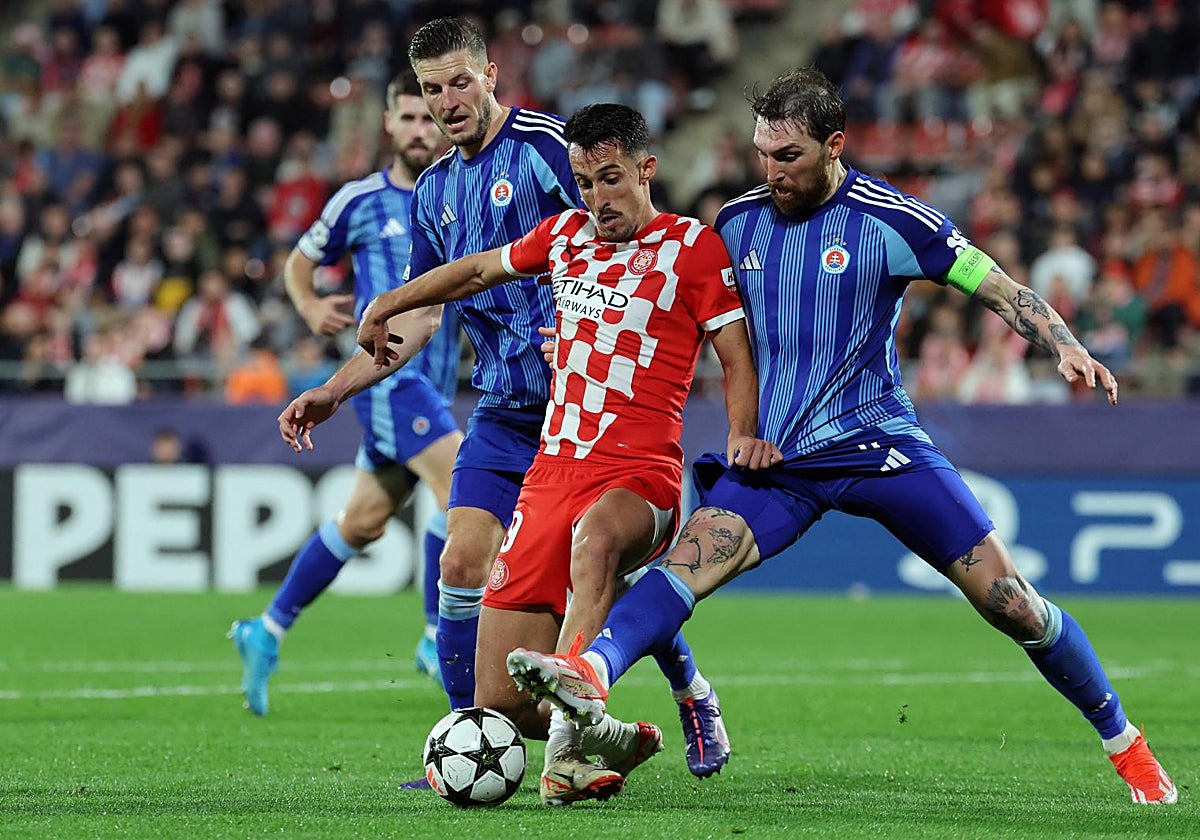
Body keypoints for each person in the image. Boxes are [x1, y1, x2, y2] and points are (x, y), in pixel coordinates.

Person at [505, 67, 1179, 807]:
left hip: (880, 448)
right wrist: (579, 338)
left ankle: (1126, 743)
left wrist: (1063, 342)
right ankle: (595, 673)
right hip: (780, 461)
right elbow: (681, 311)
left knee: (1011, 602)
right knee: (681, 570)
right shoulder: (737, 223)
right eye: (763, 154)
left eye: (788, 156)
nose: (772, 172)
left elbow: (996, 286)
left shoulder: (894, 221)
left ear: (834, 145)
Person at [275, 17, 735, 791]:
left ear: (491, 76)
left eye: (460, 81)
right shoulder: (434, 191)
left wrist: (581, 330)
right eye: (432, 89)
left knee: (598, 565)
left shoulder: (550, 149)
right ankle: (468, 738)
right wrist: (334, 388)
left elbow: (626, 239)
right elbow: (421, 316)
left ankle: (689, 689)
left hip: (588, 415)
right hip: (505, 407)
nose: (448, 101)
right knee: (460, 559)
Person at [345, 102, 779, 804]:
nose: (597, 198)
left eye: (610, 179)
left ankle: (573, 754)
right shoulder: (564, 236)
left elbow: (736, 353)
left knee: (597, 541)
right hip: (550, 474)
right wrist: (388, 301)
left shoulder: (692, 246)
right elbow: (475, 271)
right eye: (583, 182)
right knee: (502, 705)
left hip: (639, 476)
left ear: (646, 169)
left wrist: (741, 434)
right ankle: (610, 735)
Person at [229, 70, 463, 716]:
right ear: (388, 123)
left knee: (361, 522)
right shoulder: (359, 201)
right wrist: (308, 307)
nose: (419, 129)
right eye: (407, 117)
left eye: (428, 118)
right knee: (463, 488)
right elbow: (297, 264)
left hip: (436, 382)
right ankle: (436, 636)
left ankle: (266, 630)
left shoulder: (456, 194)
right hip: (390, 380)